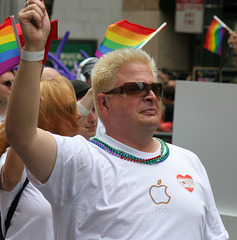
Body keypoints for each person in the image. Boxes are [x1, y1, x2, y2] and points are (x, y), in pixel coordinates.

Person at [5, 1, 228, 239]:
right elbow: (21, 134)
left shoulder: (189, 161)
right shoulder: (80, 161)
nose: (151, 95)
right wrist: (35, 49)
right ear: (103, 103)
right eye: (136, 88)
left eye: (156, 88)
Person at [0, 75, 82, 239]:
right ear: (52, 116)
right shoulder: (17, 158)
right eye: (71, 109)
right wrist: (27, 114)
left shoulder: (76, 157)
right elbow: (9, 179)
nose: (79, 115)